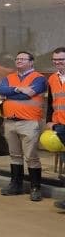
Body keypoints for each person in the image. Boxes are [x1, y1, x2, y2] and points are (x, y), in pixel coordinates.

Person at [0, 51, 46, 201]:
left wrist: (11, 92)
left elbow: (28, 94)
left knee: (31, 156)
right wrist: (19, 89)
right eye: (17, 59)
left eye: (23, 59)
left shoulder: (39, 78)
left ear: (31, 62)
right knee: (15, 155)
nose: (18, 61)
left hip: (29, 122)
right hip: (10, 121)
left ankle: (35, 187)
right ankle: (16, 185)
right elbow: (1, 90)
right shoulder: (8, 77)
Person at [46, 47, 65, 210]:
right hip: (59, 126)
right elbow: (51, 102)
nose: (58, 62)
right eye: (55, 59)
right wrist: (49, 121)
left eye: (61, 59)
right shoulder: (52, 78)